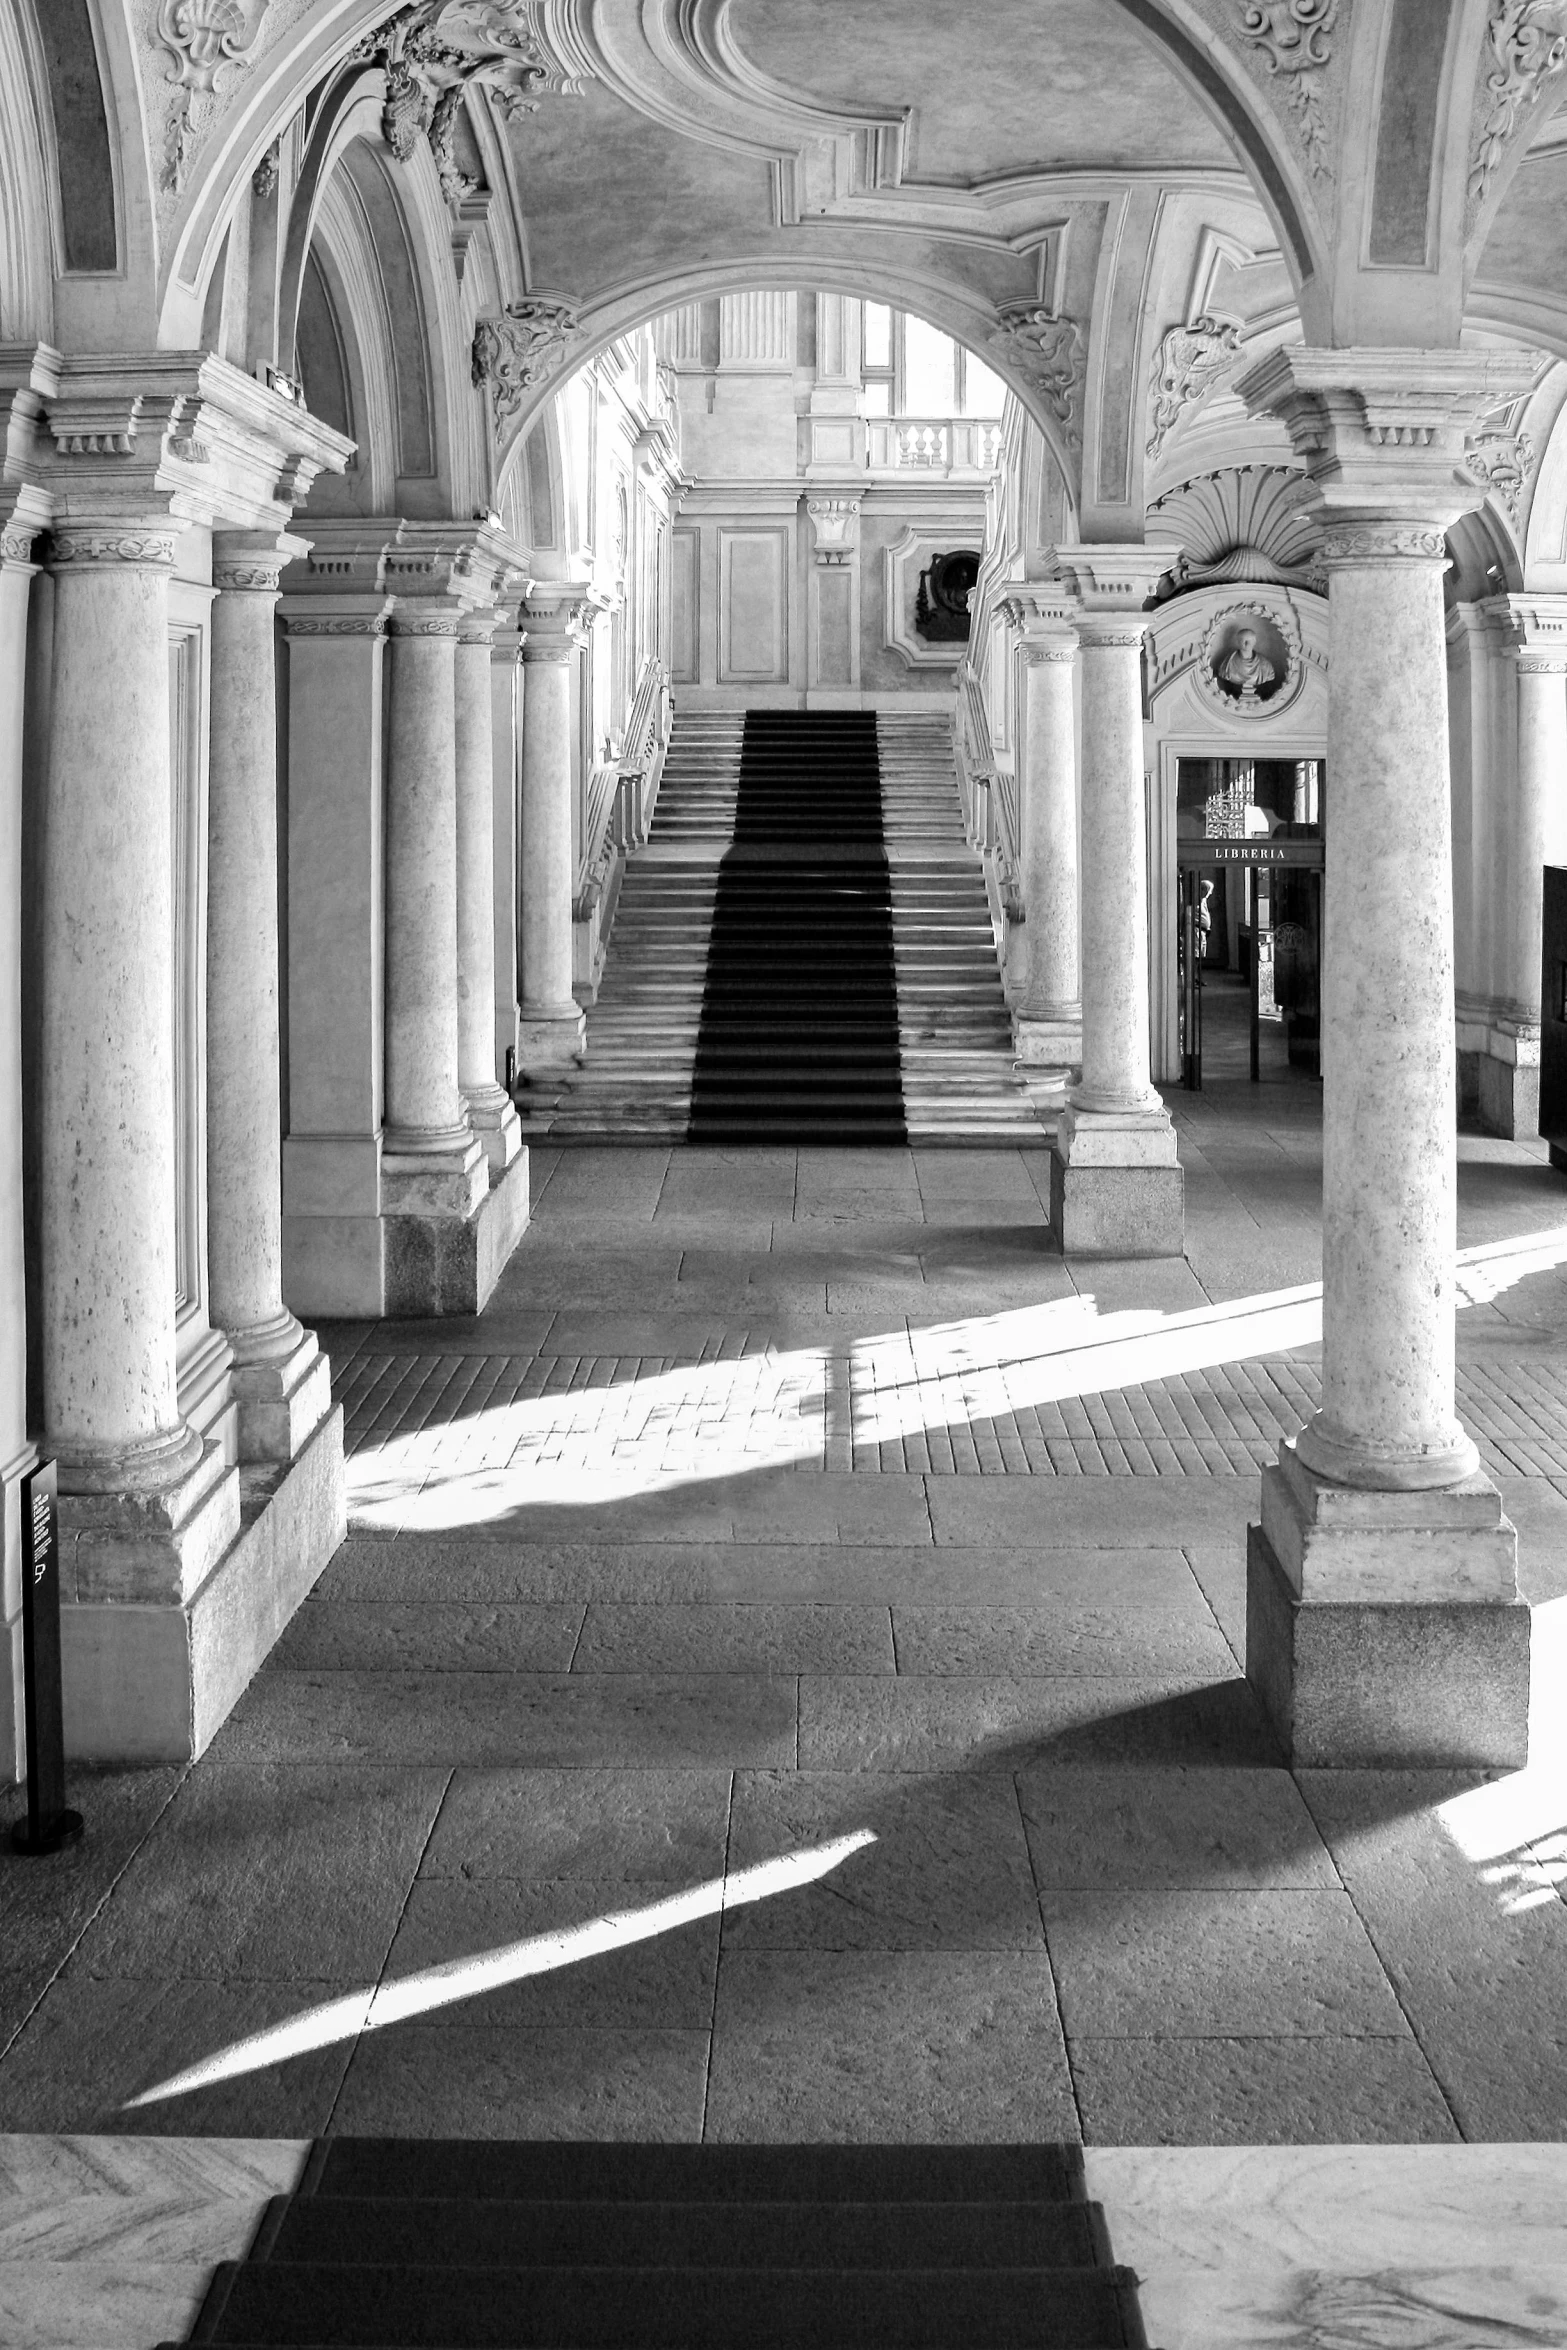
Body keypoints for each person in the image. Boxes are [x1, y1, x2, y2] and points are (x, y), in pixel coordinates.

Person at [1217, 625, 1275, 701]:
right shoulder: (1227, 664)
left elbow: (1270, 676)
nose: (1247, 643)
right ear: (1238, 641)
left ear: (1255, 641)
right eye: (1243, 640)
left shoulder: (1265, 665)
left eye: (1250, 640)